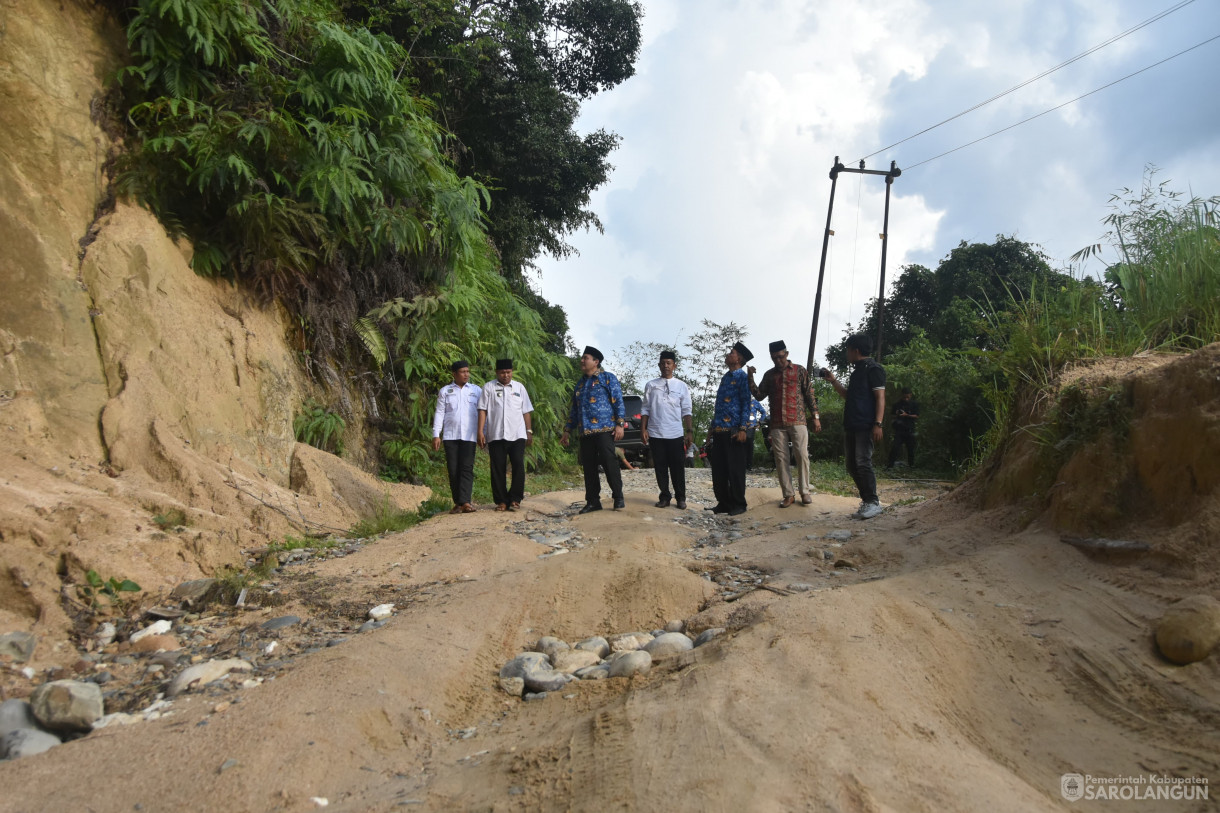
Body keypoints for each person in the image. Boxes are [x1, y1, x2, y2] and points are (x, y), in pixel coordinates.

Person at [748, 339, 821, 508]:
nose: (777, 361)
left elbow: (809, 394)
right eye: (774, 358)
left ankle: (805, 492)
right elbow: (759, 395)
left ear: (786, 354)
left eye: (780, 357)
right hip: (777, 423)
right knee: (781, 459)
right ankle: (788, 494)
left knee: (802, 455)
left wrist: (815, 416)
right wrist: (750, 376)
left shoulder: (799, 370)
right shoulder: (769, 375)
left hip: (798, 420)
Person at [823, 334, 886, 519]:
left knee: (863, 462)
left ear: (855, 350)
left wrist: (878, 423)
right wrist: (833, 380)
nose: (846, 353)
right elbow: (848, 395)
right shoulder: (857, 371)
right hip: (851, 424)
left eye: (847, 349)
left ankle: (873, 502)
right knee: (851, 465)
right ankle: (867, 501)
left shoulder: (874, 369)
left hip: (866, 424)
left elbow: (880, 398)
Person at [560, 346, 626, 514]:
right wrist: (567, 430)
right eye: (582, 358)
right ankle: (593, 501)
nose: (582, 360)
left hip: (605, 429)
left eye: (586, 358)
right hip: (585, 431)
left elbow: (618, 401)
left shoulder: (607, 378)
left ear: (596, 362)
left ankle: (618, 497)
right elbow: (574, 410)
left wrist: (619, 424)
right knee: (588, 467)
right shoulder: (580, 384)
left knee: (609, 462)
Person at [477, 358, 534, 512]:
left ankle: (515, 499)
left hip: (517, 434)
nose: (506, 375)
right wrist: (480, 431)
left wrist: (529, 431)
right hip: (495, 434)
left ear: (512, 372)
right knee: (497, 468)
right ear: (496, 372)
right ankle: (501, 500)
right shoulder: (488, 387)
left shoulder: (519, 387)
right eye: (502, 372)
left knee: (518, 464)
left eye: (508, 372)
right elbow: (483, 410)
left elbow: (526, 410)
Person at [705, 341, 754, 516]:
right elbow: (719, 406)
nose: (728, 354)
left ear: (738, 358)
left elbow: (746, 404)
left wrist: (742, 428)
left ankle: (739, 504)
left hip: (734, 431)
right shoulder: (726, 377)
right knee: (719, 470)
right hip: (719, 431)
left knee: (735, 470)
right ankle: (724, 503)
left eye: (731, 352)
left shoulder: (742, 377)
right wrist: (711, 430)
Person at [640, 350, 694, 509]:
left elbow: (687, 410)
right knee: (660, 466)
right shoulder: (651, 385)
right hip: (656, 432)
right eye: (663, 363)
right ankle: (664, 497)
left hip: (675, 433)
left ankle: (681, 498)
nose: (666, 366)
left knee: (678, 467)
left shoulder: (681, 386)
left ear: (674, 366)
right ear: (659, 365)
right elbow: (645, 409)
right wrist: (643, 429)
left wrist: (689, 431)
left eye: (669, 363)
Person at [431, 359, 481, 513]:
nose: (466, 374)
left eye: (467, 371)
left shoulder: (476, 390)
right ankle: (458, 503)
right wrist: (436, 434)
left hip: (470, 435)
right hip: (450, 435)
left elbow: (482, 412)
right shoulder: (445, 391)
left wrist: (483, 432)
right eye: (462, 372)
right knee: (453, 469)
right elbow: (440, 412)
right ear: (454, 374)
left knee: (466, 468)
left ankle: (466, 502)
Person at [888, 388, 919, 469]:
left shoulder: (914, 404)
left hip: (910, 430)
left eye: (907, 397)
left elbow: (916, 416)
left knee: (911, 449)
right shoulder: (897, 404)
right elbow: (892, 415)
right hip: (899, 430)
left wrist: (907, 415)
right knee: (895, 448)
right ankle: (889, 466)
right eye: (904, 397)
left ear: (910, 395)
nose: (906, 399)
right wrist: (897, 414)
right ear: (902, 395)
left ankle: (911, 466)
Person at [745, 397, 767, 470]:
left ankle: (749, 465)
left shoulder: (755, 402)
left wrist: (760, 422)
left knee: (749, 445)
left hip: (751, 427)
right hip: (740, 427)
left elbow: (763, 412)